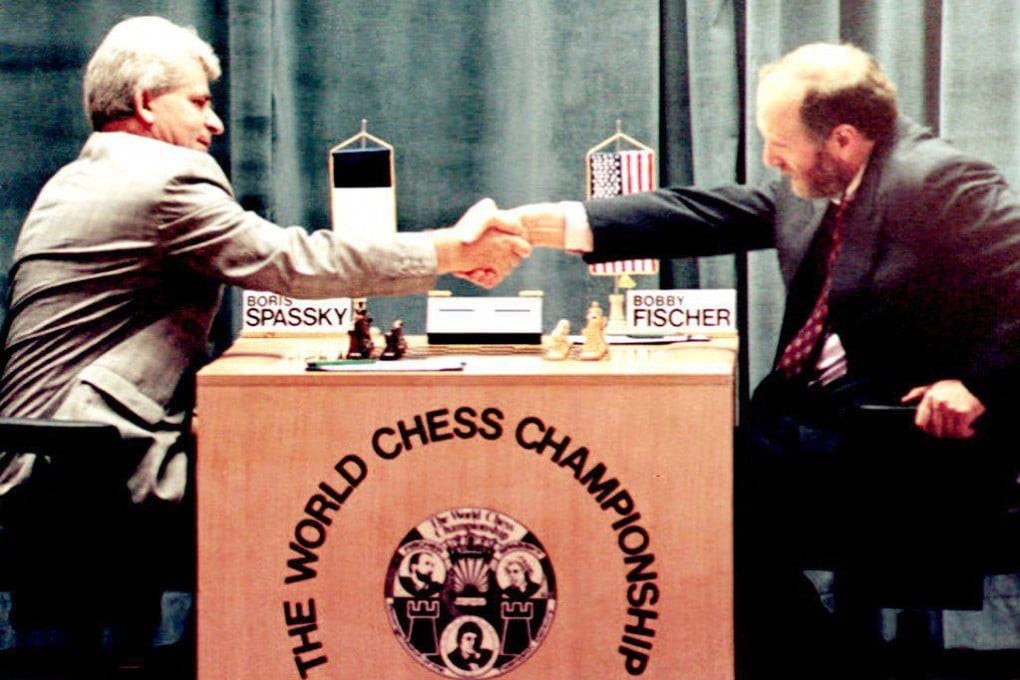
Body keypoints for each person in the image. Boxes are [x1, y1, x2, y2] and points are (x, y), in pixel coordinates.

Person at [0, 14, 529, 670]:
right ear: (144, 103)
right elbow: (293, 262)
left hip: (45, 464)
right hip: (87, 477)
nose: (215, 122)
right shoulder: (164, 179)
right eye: (197, 102)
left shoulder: (75, 179)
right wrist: (451, 249)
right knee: (323, 508)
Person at [505, 42, 1020, 678]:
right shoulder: (827, 183)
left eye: (779, 143)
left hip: (902, 451)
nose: (771, 158)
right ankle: (817, 658)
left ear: (843, 139)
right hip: (814, 432)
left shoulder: (939, 180)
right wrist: (542, 225)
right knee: (670, 474)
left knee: (689, 490)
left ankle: (819, 663)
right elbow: (711, 214)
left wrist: (977, 384)